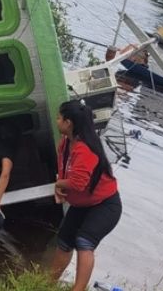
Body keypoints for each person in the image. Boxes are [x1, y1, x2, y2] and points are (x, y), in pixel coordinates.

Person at [51, 99, 122, 291]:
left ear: (69, 123)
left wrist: (59, 184)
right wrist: (61, 187)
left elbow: (78, 183)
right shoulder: (66, 143)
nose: (56, 121)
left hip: (105, 205)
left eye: (59, 118)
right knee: (65, 240)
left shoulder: (85, 149)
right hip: (83, 204)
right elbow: (66, 172)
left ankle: (79, 289)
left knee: (84, 241)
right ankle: (47, 283)